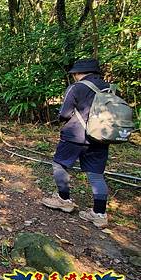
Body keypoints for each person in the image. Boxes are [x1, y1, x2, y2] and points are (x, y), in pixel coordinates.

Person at [41, 58, 111, 228]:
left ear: (78, 73)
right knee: (96, 174)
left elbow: (65, 114)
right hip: (101, 137)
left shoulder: (76, 88)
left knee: (59, 165)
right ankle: (99, 214)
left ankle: (64, 199)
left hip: (75, 135)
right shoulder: (109, 88)